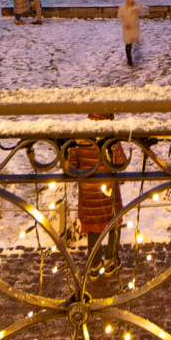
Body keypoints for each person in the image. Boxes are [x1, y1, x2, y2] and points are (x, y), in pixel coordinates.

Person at [66, 113, 127, 274]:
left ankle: (94, 265)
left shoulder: (80, 134)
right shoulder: (110, 133)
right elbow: (121, 163)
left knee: (94, 228)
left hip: (88, 190)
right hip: (109, 189)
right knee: (113, 223)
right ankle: (111, 260)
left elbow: (71, 166)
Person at [118, 0, 148, 66]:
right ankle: (129, 60)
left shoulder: (136, 4)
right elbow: (120, 16)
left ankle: (137, 49)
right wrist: (125, 23)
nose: (132, 0)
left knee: (134, 41)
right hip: (127, 28)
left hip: (134, 27)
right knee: (128, 43)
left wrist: (139, 10)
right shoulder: (122, 7)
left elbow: (145, 12)